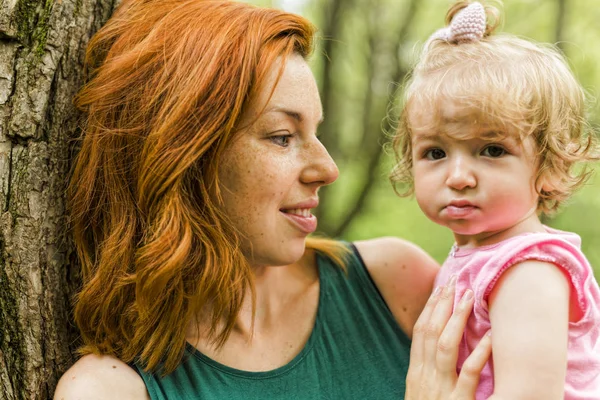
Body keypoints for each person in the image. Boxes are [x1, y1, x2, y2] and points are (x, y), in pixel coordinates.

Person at [53, 0, 491, 398]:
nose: (327, 170)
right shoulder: (108, 389)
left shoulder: (396, 285)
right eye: (282, 137)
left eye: (314, 132)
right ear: (179, 155)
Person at [391, 1, 600, 398]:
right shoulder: (483, 258)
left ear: (551, 165)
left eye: (491, 150)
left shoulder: (529, 272)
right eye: (435, 153)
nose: (458, 177)